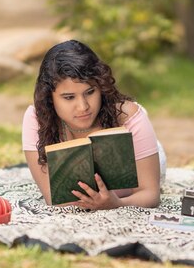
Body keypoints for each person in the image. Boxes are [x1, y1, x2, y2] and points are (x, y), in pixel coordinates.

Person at [22, 40, 166, 210]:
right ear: (49, 98)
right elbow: (52, 198)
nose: (83, 107)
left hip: (143, 157)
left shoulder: (127, 115)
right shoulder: (37, 119)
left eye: (90, 92)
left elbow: (150, 194)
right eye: (69, 97)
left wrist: (117, 204)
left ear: (101, 87)